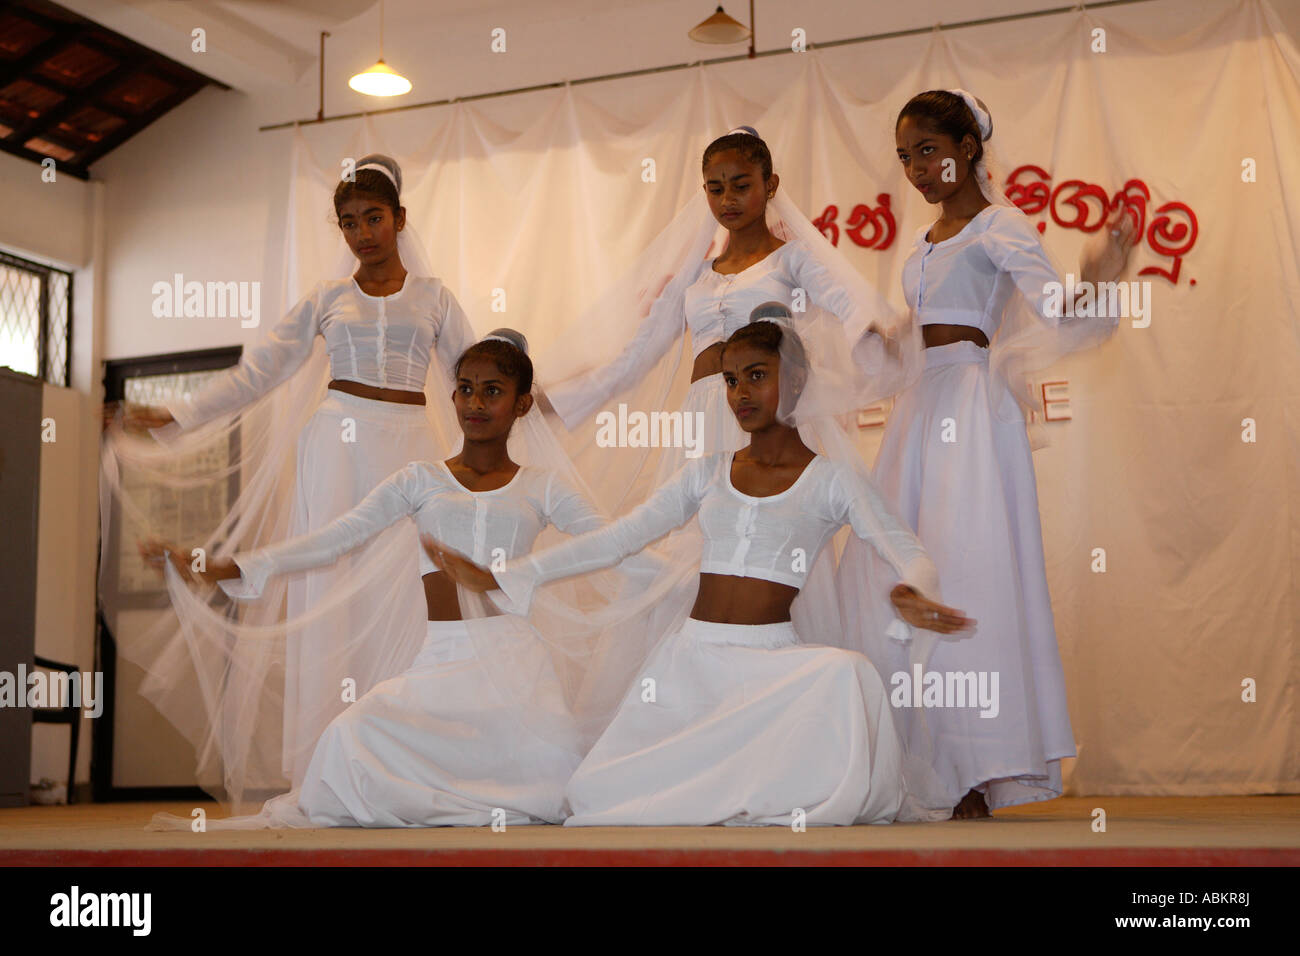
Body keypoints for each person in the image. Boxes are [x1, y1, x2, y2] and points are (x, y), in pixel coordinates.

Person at [430, 312, 972, 826]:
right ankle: (732, 780)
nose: (739, 394)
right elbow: (618, 539)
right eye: (732, 380)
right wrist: (508, 576)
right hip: (691, 662)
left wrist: (915, 590)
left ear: (799, 379)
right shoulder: (708, 473)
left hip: (770, 665)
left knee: (846, 674)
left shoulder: (832, 480)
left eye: (757, 377)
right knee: (595, 796)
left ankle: (755, 781)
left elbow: (909, 551)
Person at [102, 154, 478, 807]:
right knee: (329, 584)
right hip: (336, 446)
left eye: (373, 218)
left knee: (412, 593)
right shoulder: (325, 299)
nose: (362, 232)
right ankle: (326, 768)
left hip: (413, 446)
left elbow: (471, 379)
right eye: (349, 222)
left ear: (399, 219)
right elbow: (259, 373)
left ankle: (411, 762)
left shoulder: (436, 297)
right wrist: (178, 414)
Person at [141, 331, 635, 826]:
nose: (475, 403)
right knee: (345, 743)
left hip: (518, 670)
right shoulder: (420, 480)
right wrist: (227, 566)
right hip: (442, 659)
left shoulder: (542, 486)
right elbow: (337, 536)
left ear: (522, 403)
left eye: (492, 390)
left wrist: (683, 575)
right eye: (464, 389)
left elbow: (610, 544)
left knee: (559, 785)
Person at [840, 89, 1137, 819]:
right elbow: (912, 342)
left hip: (972, 410)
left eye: (929, 150)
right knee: (900, 568)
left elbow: (1055, 310)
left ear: (969, 148)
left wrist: (1101, 271)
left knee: (969, 569)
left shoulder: (1001, 225)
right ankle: (921, 763)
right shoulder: (924, 243)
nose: (916, 168)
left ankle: (976, 763)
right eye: (906, 156)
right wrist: (873, 345)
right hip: (918, 410)